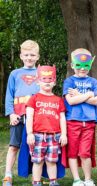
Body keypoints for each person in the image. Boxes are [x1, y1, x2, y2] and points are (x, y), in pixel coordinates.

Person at [62, 48, 97, 186]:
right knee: (72, 152)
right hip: (72, 122)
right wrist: (88, 94)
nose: (82, 69)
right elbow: (71, 101)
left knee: (85, 152)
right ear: (73, 65)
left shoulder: (94, 82)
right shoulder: (68, 82)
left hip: (89, 123)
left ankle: (88, 179)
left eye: (86, 65)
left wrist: (79, 95)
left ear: (90, 64)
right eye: (79, 65)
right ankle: (77, 180)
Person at [2, 40, 40, 186]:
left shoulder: (42, 73)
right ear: (21, 56)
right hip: (18, 116)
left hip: (36, 118)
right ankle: (8, 175)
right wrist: (11, 113)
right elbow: (9, 95)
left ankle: (35, 176)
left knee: (36, 146)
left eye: (32, 55)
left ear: (37, 56)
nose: (29, 58)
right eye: (26, 55)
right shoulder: (14, 74)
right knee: (14, 146)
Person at [25, 65, 67, 186]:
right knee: (38, 161)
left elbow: (62, 118)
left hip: (54, 136)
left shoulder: (59, 100)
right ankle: (36, 182)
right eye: (44, 79)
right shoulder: (33, 99)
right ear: (38, 81)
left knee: (51, 161)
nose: (47, 82)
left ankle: (53, 181)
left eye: (50, 79)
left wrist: (64, 134)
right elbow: (29, 117)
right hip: (38, 135)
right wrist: (30, 134)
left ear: (54, 82)